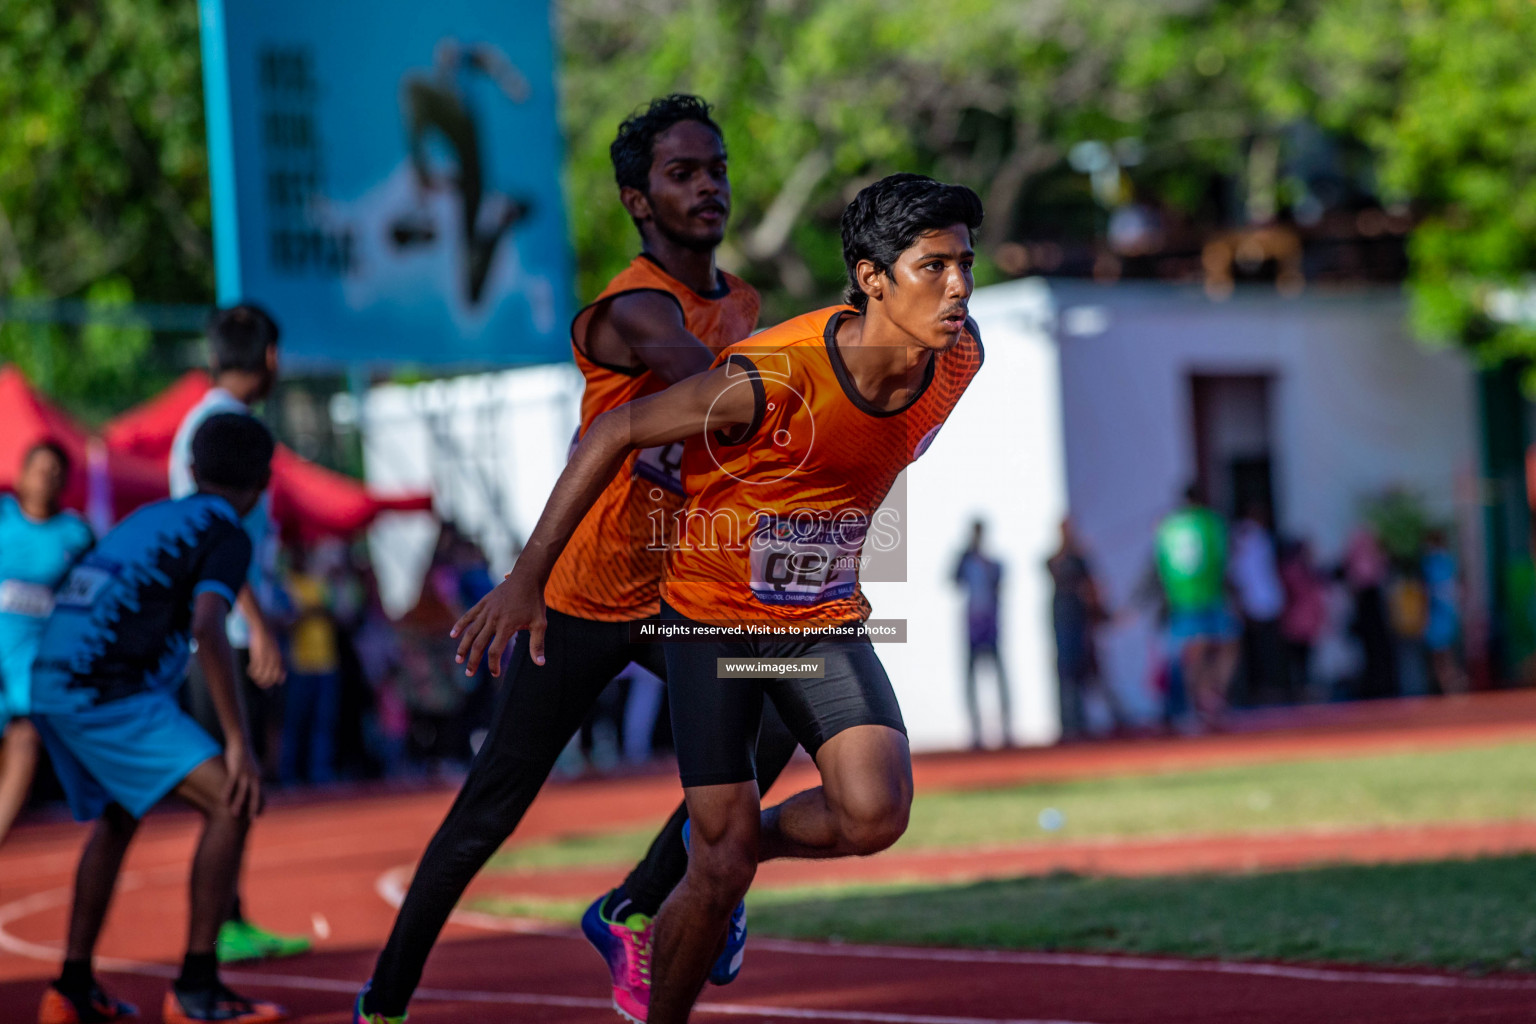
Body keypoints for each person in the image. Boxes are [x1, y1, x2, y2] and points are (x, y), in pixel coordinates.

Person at [453, 172, 985, 1024]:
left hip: (820, 615)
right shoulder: (773, 376)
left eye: (966, 263)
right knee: (721, 855)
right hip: (713, 616)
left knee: (875, 812)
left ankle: (725, 862)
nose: (958, 286)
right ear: (871, 277)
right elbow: (616, 428)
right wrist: (526, 579)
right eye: (934, 267)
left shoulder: (959, 355)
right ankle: (695, 918)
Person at [355, 95, 803, 1024]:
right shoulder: (633, 306)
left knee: (780, 709)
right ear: (640, 201)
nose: (709, 185)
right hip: (583, 596)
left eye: (716, 167)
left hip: (675, 592)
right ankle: (383, 1004)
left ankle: (631, 905)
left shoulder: (746, 303)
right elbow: (701, 380)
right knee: (490, 810)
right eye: (683, 174)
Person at [30, 414, 287, 1024]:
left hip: (51, 679)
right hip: (100, 689)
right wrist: (237, 743)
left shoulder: (151, 515)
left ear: (193, 471)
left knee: (120, 817)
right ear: (263, 483)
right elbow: (206, 626)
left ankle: (70, 989)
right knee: (232, 799)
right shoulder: (227, 530)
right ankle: (198, 990)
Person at [169, 304, 311, 964]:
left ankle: (229, 918)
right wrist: (256, 625)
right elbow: (214, 536)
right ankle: (215, 933)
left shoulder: (216, 421)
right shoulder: (220, 426)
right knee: (233, 778)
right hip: (217, 630)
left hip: (221, 623)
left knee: (236, 780)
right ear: (271, 356)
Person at [0, 441, 94, 847]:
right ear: (21, 475)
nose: (46, 477)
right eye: (39, 468)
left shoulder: (77, 533)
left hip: (34, 660)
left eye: (55, 471)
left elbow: (92, 599)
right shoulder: (2, 517)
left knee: (25, 741)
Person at [1154, 484, 1239, 729]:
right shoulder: (1210, 523)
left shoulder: (1169, 527)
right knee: (1225, 646)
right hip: (1209, 596)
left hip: (1181, 599)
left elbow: (1160, 565)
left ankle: (1200, 701)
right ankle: (1211, 695)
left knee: (1194, 653)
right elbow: (1222, 558)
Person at [1046, 517, 1114, 740]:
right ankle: (1069, 725)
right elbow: (1051, 567)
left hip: (1080, 623)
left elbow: (1093, 585)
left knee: (1089, 672)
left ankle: (1088, 722)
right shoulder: (1059, 558)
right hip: (1063, 623)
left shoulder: (1081, 558)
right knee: (1066, 673)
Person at [281, 548, 341, 786]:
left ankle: (320, 773)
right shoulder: (288, 583)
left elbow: (340, 615)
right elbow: (285, 618)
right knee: (295, 722)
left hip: (326, 662)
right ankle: (289, 775)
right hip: (299, 663)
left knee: (323, 723)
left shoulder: (323, 583)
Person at [953, 518, 1011, 747]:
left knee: (999, 677)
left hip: (990, 626)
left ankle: (1006, 727)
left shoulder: (992, 564)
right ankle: (975, 730)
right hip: (972, 627)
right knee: (971, 679)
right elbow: (954, 580)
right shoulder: (965, 560)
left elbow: (1000, 586)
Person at [1229, 502, 1286, 704]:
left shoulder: (1257, 536)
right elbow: (1241, 572)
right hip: (1256, 601)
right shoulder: (1245, 536)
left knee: (1267, 647)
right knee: (1259, 649)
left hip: (1263, 600)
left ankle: (1269, 688)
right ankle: (1261, 689)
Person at [1278, 538, 1327, 702]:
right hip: (1296, 622)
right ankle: (1298, 691)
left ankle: (1303, 689)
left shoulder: (1305, 571)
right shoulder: (1295, 571)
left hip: (1303, 623)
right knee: (1298, 660)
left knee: (1304, 660)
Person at [1422, 528, 1466, 694]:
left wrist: (1424, 617)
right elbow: (1460, 586)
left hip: (1437, 613)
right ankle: (1451, 683)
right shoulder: (1449, 560)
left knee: (1439, 655)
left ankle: (1449, 684)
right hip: (1448, 612)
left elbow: (1427, 591)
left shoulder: (1430, 563)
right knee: (1446, 653)